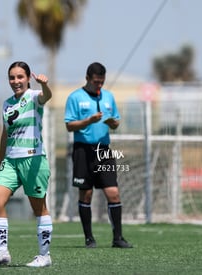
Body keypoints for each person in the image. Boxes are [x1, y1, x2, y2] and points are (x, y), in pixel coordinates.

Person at [0, 61, 53, 268]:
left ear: (28, 77)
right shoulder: (6, 104)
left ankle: (44, 255)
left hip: (33, 160)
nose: (16, 81)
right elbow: (5, 134)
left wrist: (45, 85)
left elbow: (46, 96)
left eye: (20, 77)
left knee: (39, 209)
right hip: (10, 161)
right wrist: (0, 163)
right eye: (12, 77)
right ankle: (2, 252)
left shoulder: (34, 97)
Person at [64, 62, 132, 249]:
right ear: (87, 78)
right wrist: (88, 121)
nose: (99, 85)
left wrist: (113, 123)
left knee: (114, 193)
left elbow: (116, 122)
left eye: (102, 82)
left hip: (104, 151)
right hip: (82, 150)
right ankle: (89, 238)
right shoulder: (75, 97)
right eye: (96, 82)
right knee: (86, 195)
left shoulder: (109, 97)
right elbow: (69, 125)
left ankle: (118, 238)